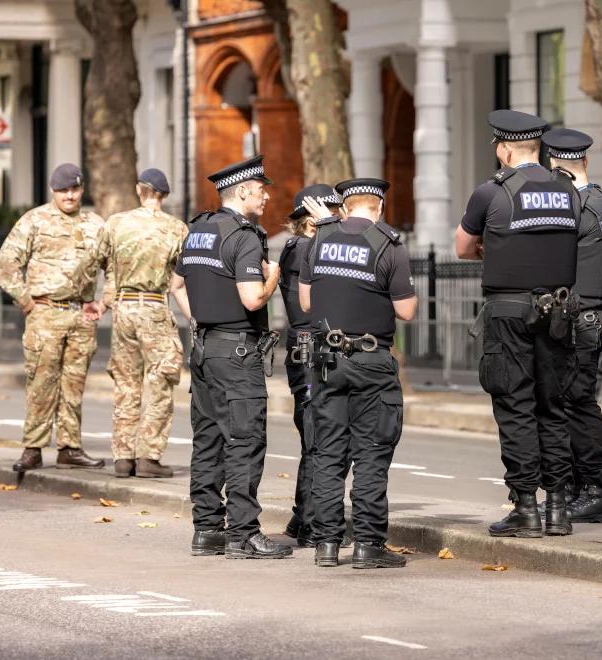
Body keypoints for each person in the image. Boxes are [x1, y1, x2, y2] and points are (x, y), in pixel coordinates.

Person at [455, 110, 580, 538]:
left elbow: (462, 246)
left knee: (515, 406)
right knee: (554, 405)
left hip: (509, 313)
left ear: (505, 149)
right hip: (559, 314)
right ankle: (559, 508)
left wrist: (494, 253)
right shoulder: (568, 191)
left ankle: (526, 506)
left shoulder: (492, 192)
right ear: (538, 149)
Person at [170, 155, 291, 560]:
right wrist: (273, 274)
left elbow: (176, 285)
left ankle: (207, 529)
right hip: (236, 352)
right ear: (242, 191)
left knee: (207, 441)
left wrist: (198, 318)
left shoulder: (198, 230)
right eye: (261, 189)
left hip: (204, 348)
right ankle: (243, 534)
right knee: (244, 441)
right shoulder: (244, 237)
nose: (267, 196)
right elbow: (252, 297)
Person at [299, 178, 417, 569]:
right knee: (371, 454)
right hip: (372, 361)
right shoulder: (389, 245)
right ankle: (367, 545)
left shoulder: (318, 240)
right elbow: (407, 311)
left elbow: (305, 300)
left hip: (326, 361)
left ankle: (326, 545)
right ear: (379, 208)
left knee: (328, 453)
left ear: (345, 208)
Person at [0, 163, 106, 473]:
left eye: (74, 189)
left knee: (74, 384)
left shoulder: (96, 225)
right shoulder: (35, 220)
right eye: (63, 190)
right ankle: (33, 448)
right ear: (53, 191)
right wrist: (25, 298)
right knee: (41, 383)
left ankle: (70, 448)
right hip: (45, 313)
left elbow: (115, 267)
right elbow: (6, 263)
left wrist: (103, 302)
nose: (69, 195)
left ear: (82, 190)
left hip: (80, 315)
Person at [541, 127, 602, 524]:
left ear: (555, 168)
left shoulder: (574, 207)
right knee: (577, 403)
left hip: (579, 319)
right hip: (593, 315)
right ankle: (580, 488)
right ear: (585, 161)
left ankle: (592, 490)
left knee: (578, 405)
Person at [95, 168, 188, 478]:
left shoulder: (116, 223)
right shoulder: (176, 228)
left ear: (140, 190)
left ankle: (123, 456)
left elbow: (102, 262)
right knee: (160, 381)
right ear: (164, 195)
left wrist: (103, 301)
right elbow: (182, 274)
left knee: (126, 383)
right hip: (153, 307)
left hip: (122, 309)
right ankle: (148, 455)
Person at [278, 183, 342, 547]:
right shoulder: (307, 249)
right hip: (310, 348)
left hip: (305, 347)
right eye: (331, 213)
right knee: (320, 436)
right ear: (311, 218)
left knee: (315, 436)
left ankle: (304, 517)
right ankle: (313, 521)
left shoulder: (298, 247)